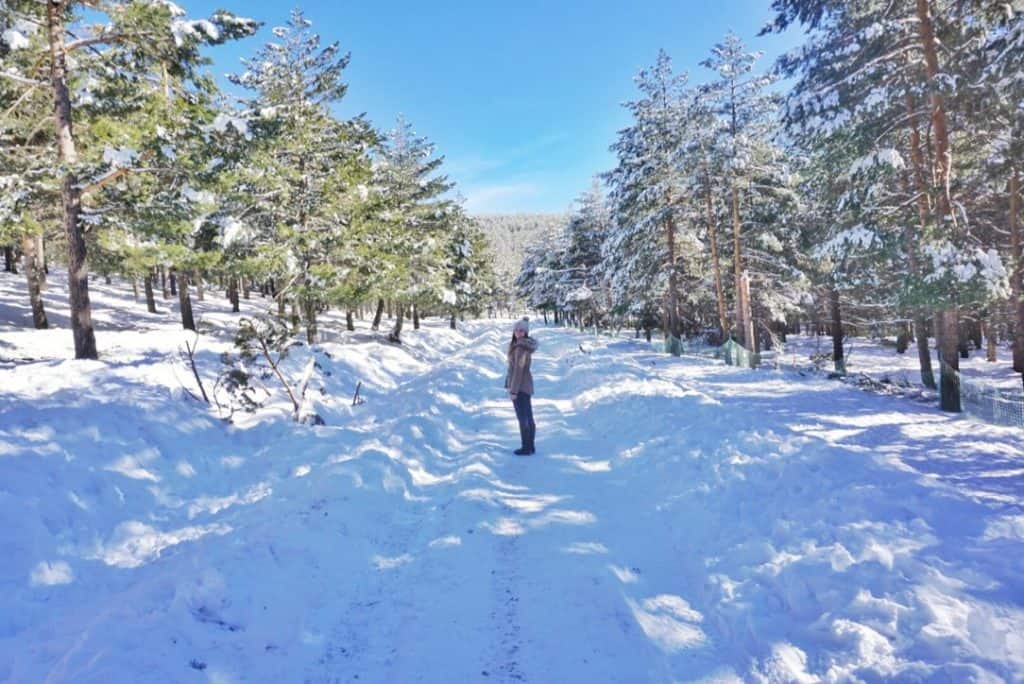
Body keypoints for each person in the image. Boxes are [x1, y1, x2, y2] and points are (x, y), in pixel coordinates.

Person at [505, 317, 538, 455]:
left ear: (526, 332)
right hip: (525, 385)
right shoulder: (522, 345)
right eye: (517, 330)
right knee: (528, 416)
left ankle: (526, 447)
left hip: (520, 386)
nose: (519, 332)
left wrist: (513, 390)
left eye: (522, 330)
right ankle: (530, 446)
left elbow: (518, 370)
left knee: (523, 417)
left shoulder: (520, 347)